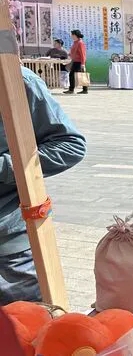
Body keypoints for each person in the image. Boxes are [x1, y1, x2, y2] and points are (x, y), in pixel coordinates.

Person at [1, 66, 86, 304]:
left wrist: (5, 166)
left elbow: (70, 145)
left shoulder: (17, 81)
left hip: (9, 257)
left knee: (25, 326)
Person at [64, 30, 88, 95]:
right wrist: (69, 54)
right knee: (78, 75)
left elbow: (83, 54)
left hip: (79, 62)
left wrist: (83, 64)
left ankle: (72, 89)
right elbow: (74, 52)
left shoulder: (80, 43)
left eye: (72, 35)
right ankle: (84, 89)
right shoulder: (75, 42)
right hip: (75, 61)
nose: (71, 36)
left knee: (76, 75)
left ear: (75, 35)